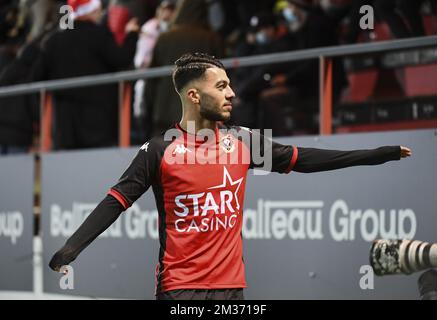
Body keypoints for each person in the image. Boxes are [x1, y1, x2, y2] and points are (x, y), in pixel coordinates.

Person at [49, 52, 412, 300]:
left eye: (230, 85)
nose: (232, 93)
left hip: (231, 289)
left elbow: (306, 159)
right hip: (180, 289)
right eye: (221, 86)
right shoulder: (160, 150)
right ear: (194, 95)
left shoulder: (242, 141)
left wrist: (376, 155)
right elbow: (117, 201)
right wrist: (72, 248)